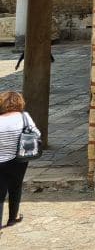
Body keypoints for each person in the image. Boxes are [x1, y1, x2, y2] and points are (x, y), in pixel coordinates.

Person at [0, 91, 40, 227]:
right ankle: (13, 218)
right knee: (15, 187)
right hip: (19, 159)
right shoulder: (24, 117)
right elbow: (37, 134)